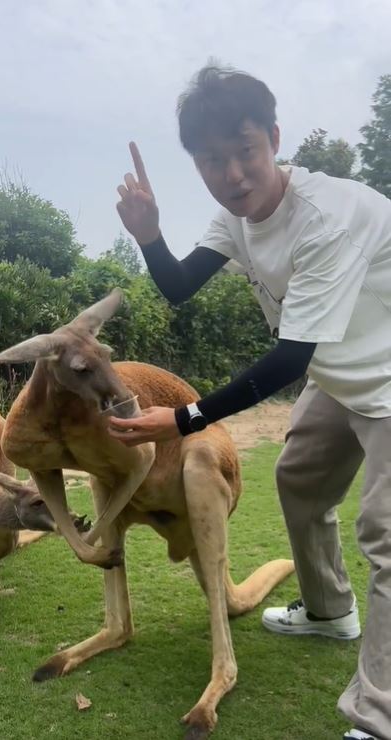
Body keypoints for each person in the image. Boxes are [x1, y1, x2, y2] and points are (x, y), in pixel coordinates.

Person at [108, 63, 391, 740]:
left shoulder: (327, 215)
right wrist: (147, 233)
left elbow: (288, 358)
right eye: (211, 161)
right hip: (341, 370)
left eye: (245, 153)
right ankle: (327, 614)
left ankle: (377, 717)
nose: (232, 175)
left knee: (385, 535)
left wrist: (182, 419)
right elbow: (178, 286)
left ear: (272, 137)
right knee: (296, 480)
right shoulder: (233, 217)